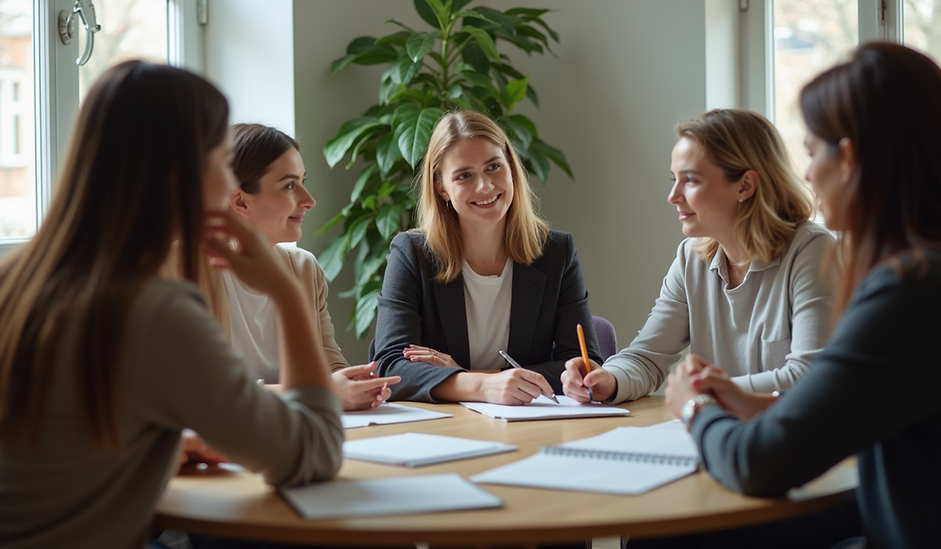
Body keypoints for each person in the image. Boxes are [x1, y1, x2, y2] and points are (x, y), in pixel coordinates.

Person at [0, 61, 344, 548]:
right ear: (181, 176)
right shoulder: (153, 308)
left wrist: (153, 444)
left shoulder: (17, 280)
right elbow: (315, 453)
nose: (232, 188)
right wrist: (286, 296)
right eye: (224, 164)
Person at [665, 42, 941, 548]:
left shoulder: (913, 291)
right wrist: (754, 403)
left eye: (813, 152)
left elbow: (761, 464)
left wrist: (693, 410)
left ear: (850, 158)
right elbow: (851, 408)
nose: (807, 174)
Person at [562, 109, 835, 405]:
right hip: (720, 435)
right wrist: (609, 380)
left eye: (690, 181)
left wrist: (702, 392)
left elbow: (810, 376)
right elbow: (648, 356)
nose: (673, 195)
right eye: (674, 179)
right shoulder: (691, 257)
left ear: (745, 185)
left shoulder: (813, 251)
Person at [374, 110, 601, 404]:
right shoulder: (412, 254)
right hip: (443, 432)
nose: (485, 186)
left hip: (532, 427)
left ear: (511, 168)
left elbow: (581, 366)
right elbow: (391, 368)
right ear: (442, 188)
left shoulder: (556, 252)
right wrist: (481, 386)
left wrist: (466, 375)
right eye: (464, 175)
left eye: (494, 166)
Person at [214, 123, 399, 410]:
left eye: (303, 182)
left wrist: (354, 384)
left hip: (290, 430)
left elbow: (329, 363)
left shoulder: (304, 269)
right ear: (240, 200)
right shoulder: (179, 268)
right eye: (289, 186)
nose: (309, 200)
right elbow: (192, 391)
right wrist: (318, 392)